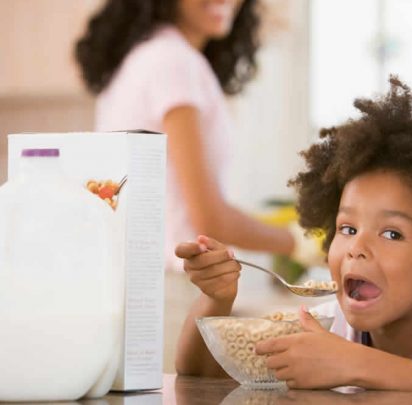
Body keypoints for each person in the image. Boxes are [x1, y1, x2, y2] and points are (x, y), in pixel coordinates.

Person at [174, 78, 412, 394]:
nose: (357, 248)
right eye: (347, 229)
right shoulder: (327, 326)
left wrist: (353, 364)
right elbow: (198, 376)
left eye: (392, 233)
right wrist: (215, 301)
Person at [75, 0, 296, 271]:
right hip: (175, 286)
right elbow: (210, 220)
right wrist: (298, 241)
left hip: (143, 282)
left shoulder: (145, 57)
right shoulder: (173, 61)